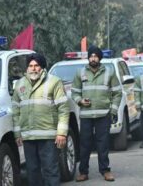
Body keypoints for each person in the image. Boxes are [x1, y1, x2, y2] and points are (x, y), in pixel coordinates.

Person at [12, 53, 70, 186]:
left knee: (50, 170)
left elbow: (63, 109)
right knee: (32, 171)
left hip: (48, 136)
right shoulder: (20, 84)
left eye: (36, 65)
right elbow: (15, 111)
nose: (33, 68)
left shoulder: (54, 82)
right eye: (30, 66)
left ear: (42, 67)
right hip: (28, 137)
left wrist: (61, 133)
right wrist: (17, 134)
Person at [71, 46, 121, 182]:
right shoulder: (80, 72)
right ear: (88, 58)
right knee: (85, 144)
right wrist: (80, 101)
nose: (93, 58)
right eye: (91, 56)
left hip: (103, 115)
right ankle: (83, 172)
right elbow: (74, 92)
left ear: (99, 58)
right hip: (86, 116)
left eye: (95, 56)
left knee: (103, 144)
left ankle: (105, 170)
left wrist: (113, 110)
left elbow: (117, 93)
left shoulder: (109, 72)